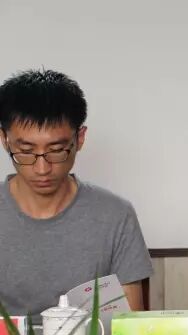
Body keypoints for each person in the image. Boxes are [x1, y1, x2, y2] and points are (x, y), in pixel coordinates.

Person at [0, 69, 153, 316]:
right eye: (26, 151)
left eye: (56, 150)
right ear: (4, 139)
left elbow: (130, 325)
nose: (42, 168)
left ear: (79, 139)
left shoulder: (115, 215)